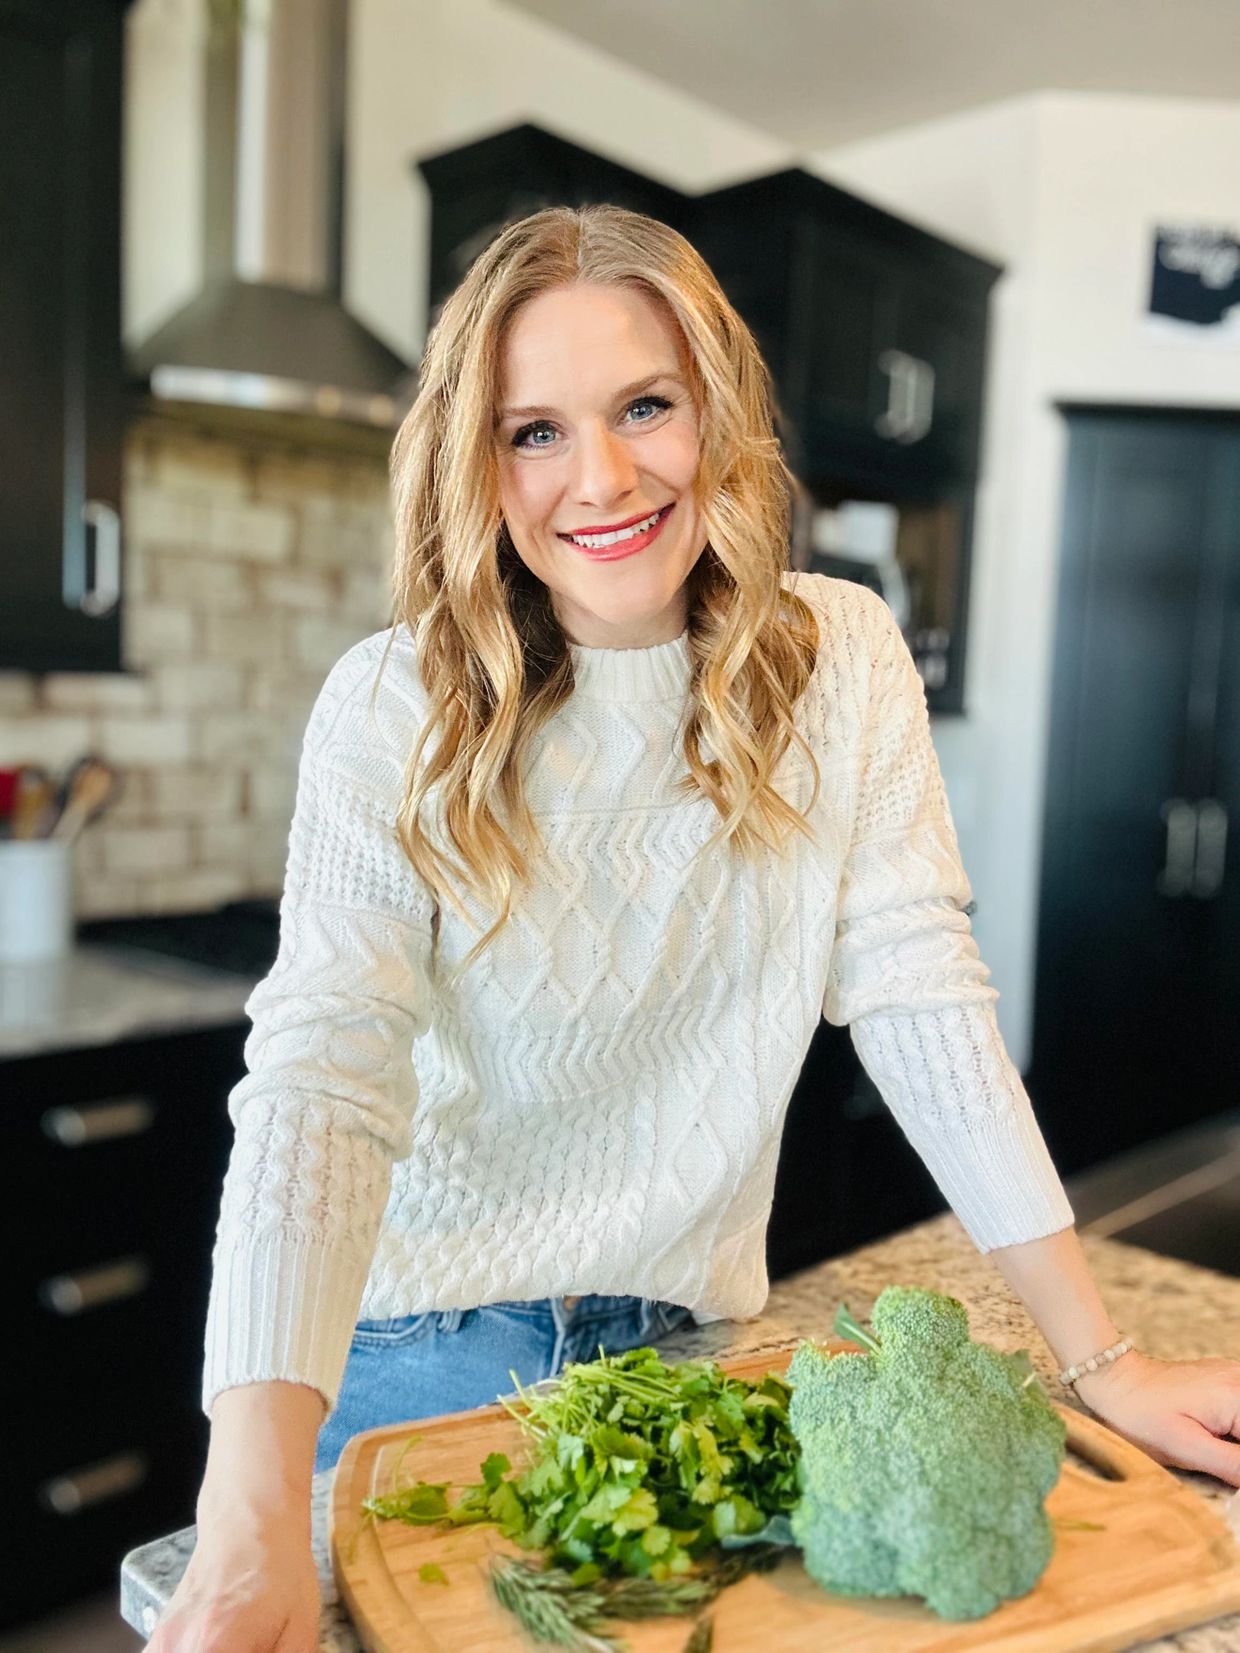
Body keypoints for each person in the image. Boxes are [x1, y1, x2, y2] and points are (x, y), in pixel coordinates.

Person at [149, 205, 1240, 1652]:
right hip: (415, 1369)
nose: (599, 477)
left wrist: (1097, 1354)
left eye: (644, 406)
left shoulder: (842, 660)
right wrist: (245, 1511)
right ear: (475, 465)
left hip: (697, 1354)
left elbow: (922, 996)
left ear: (716, 411)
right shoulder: (390, 699)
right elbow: (321, 1081)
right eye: (532, 430)